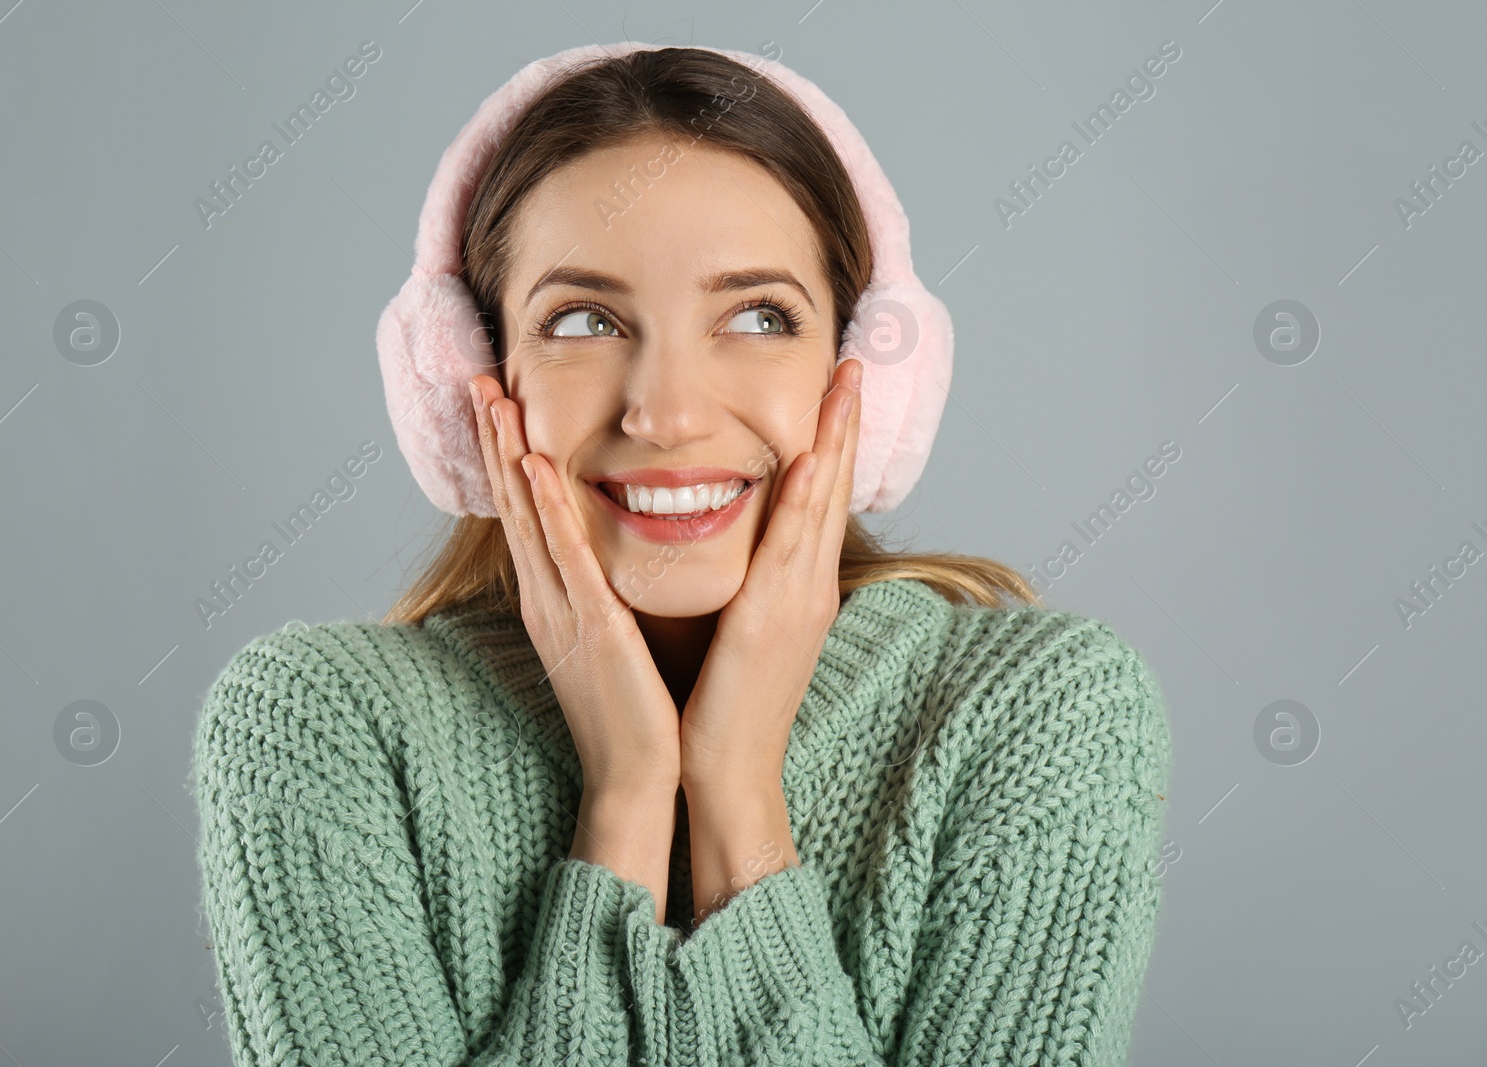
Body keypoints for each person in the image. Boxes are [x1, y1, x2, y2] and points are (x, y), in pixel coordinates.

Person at [191, 42, 1173, 1066]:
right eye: (582, 319)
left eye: (757, 315)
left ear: (865, 376)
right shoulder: (321, 723)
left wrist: (738, 795)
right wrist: (622, 800)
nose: (664, 413)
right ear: (474, 374)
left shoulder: (1037, 712)